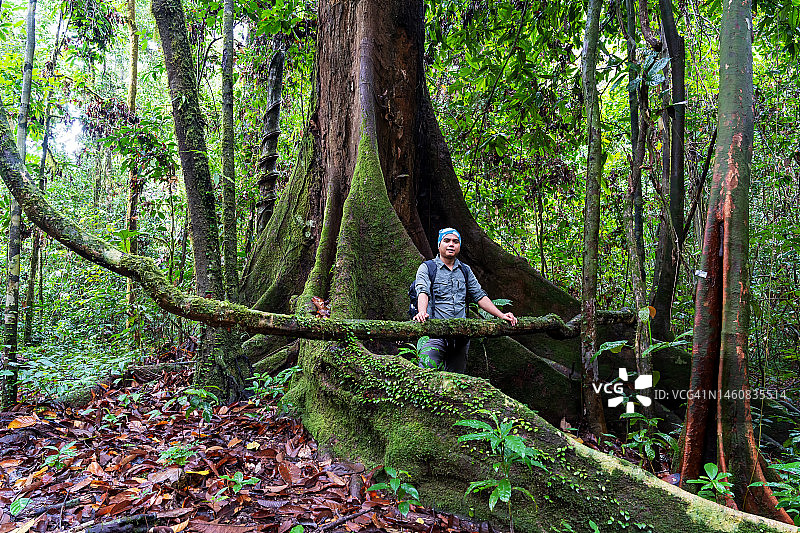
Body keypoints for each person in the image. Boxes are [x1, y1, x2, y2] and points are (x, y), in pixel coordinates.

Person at [412, 228, 518, 373]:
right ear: (439, 245)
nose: (451, 244)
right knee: (426, 377)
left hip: (460, 336)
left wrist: (501, 315)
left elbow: (479, 296)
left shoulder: (465, 270)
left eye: (455, 242)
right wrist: (422, 312)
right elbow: (422, 291)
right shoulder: (427, 268)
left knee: (457, 381)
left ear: (459, 246)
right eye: (446, 241)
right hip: (433, 334)